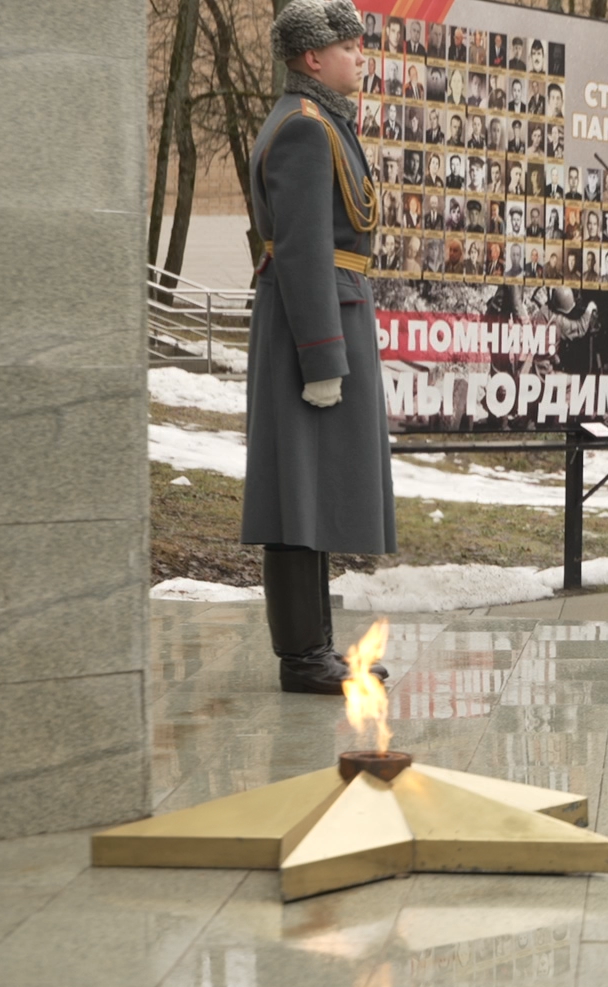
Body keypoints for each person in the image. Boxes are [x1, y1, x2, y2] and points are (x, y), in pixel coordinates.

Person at [246, 0, 396, 694]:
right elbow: (305, 251)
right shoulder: (306, 129)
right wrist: (323, 359)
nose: (360, 56)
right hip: (314, 325)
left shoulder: (319, 121)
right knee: (295, 493)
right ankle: (304, 657)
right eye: (348, 47)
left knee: (306, 492)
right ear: (312, 57)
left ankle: (316, 648)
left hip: (324, 315)